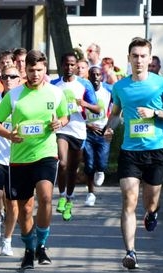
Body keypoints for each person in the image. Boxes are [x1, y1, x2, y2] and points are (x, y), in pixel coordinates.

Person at [105, 37, 163, 269]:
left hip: (156, 151)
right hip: (130, 152)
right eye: (135, 56)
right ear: (128, 58)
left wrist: (154, 113)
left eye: (143, 56)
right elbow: (117, 113)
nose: (139, 60)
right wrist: (110, 128)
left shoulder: (161, 84)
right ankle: (130, 252)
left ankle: (152, 213)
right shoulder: (120, 86)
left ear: (150, 59)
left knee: (150, 202)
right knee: (129, 200)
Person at [0, 50, 70, 269]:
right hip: (19, 159)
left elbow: (65, 115)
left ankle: (41, 245)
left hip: (45, 154)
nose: (35, 74)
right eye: (31, 70)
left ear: (45, 70)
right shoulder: (14, 95)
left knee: (45, 197)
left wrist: (60, 123)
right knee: (24, 208)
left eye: (40, 70)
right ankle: (28, 248)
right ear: (26, 70)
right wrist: (9, 136)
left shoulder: (55, 93)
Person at [51, 51, 100, 220]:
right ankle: (62, 196)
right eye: (67, 64)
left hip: (78, 130)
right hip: (62, 129)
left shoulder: (84, 84)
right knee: (62, 163)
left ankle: (70, 200)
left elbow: (97, 108)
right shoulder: (54, 84)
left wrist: (84, 104)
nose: (70, 67)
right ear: (62, 65)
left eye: (73, 65)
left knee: (72, 169)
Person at [0, 67, 23, 256]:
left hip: (17, 159)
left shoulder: (24, 100)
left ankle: (7, 241)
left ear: (20, 79)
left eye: (13, 76)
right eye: (5, 76)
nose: (8, 79)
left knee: (13, 203)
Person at [82, 66, 112, 207]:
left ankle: (100, 170)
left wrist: (110, 126)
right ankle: (90, 193)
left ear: (102, 76)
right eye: (92, 75)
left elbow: (117, 109)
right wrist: (88, 125)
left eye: (98, 75)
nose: (95, 77)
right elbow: (76, 111)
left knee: (102, 163)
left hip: (103, 131)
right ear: (88, 76)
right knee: (89, 164)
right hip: (87, 131)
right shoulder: (83, 91)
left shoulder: (108, 91)